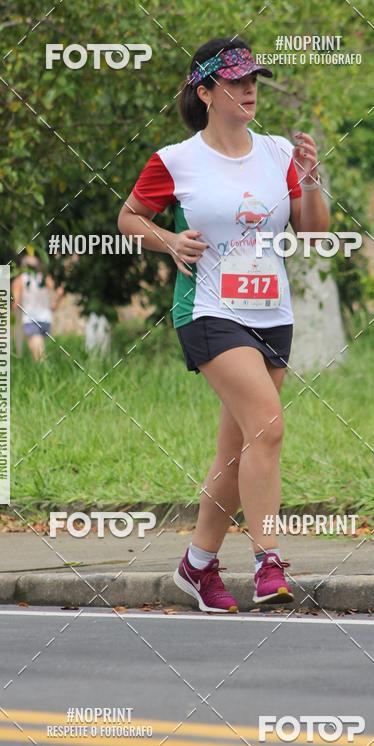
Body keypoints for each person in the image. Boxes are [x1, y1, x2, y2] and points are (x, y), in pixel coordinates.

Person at [117, 37, 330, 613]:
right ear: (206, 92)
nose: (249, 89)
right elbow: (129, 217)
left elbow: (313, 234)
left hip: (272, 314)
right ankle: (269, 561)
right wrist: (168, 240)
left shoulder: (278, 153)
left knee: (237, 453)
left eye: (253, 80)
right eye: (235, 82)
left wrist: (312, 181)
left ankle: (197, 565)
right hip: (209, 311)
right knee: (269, 428)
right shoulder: (176, 160)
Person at [12, 254, 63, 361]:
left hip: (30, 320)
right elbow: (59, 291)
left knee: (39, 356)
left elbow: (16, 304)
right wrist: (54, 304)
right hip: (46, 318)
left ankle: (48, 371)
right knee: (37, 353)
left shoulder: (19, 280)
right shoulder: (44, 278)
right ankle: (44, 369)